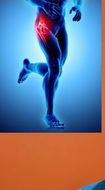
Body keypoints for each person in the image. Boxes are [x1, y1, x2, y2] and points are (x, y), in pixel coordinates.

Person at [18, 0, 82, 129]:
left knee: (56, 70)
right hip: (44, 25)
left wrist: (77, 5)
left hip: (60, 25)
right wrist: (43, 4)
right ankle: (49, 114)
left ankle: (28, 67)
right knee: (54, 69)